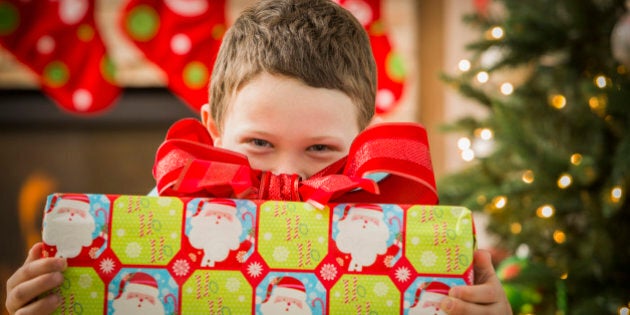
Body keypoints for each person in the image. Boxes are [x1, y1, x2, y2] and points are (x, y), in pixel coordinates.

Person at [4, 0, 512, 314]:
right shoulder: (155, 221)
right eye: (259, 144)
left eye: (320, 149)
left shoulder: (398, 236)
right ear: (214, 131)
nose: (287, 176)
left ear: (359, 145)